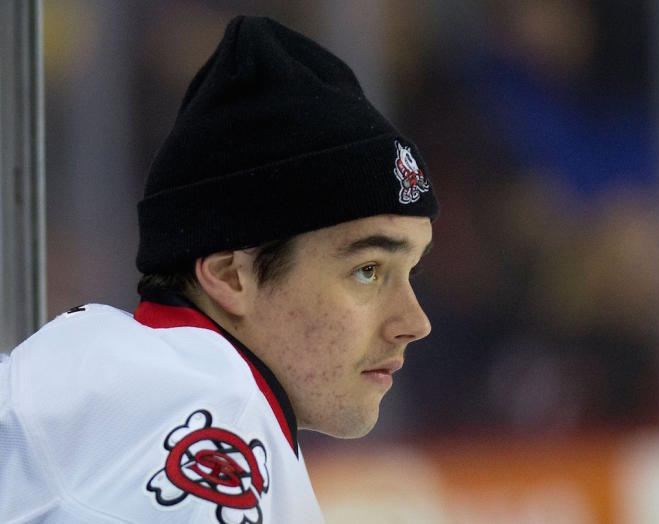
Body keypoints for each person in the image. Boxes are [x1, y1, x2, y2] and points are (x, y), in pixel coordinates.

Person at [0, 15, 437, 523]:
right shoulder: (210, 411)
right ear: (232, 276)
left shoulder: (129, 384)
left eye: (411, 271)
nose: (414, 322)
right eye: (368, 270)